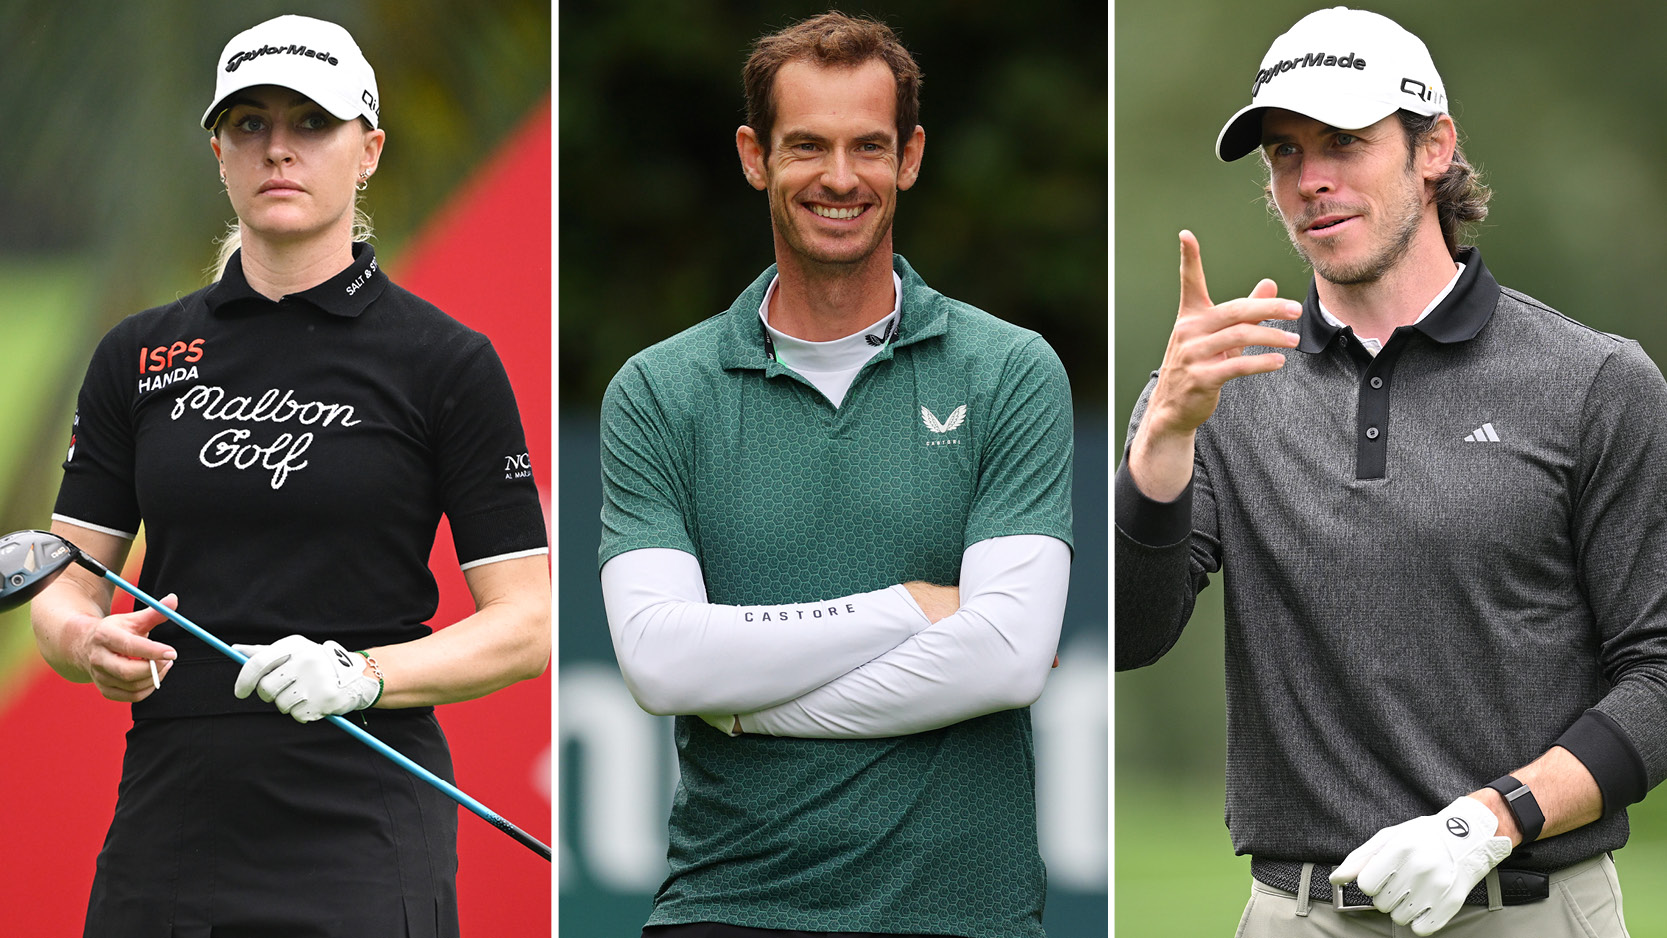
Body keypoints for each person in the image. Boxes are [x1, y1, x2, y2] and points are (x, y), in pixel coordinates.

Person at [1116, 6, 1667, 937]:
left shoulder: (1594, 383)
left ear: (1433, 149)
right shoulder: (1214, 387)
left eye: (1344, 142)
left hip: (1527, 905)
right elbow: (1130, 635)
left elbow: (1657, 674)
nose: (1311, 180)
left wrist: (1487, 821)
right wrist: (1162, 442)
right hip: (1298, 913)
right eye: (1285, 154)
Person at [27, 14, 550, 936]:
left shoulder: (445, 361)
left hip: (365, 802)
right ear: (219, 152)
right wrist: (83, 644)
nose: (278, 149)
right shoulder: (140, 354)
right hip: (174, 805)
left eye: (312, 124)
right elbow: (61, 583)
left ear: (369, 150)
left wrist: (359, 674)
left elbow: (527, 624)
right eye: (248, 125)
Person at [598, 11, 1074, 938]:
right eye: (806, 146)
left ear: (911, 156)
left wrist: (741, 709)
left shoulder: (1010, 368)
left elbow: (1007, 659)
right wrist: (907, 606)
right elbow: (660, 660)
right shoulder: (658, 391)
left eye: (869, 146)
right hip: (728, 903)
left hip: (963, 911)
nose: (841, 178)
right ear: (753, 155)